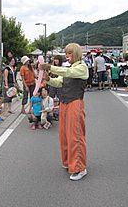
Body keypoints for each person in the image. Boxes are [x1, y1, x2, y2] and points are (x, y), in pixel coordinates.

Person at [40, 43, 88, 181]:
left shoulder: (82, 67)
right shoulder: (69, 68)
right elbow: (59, 82)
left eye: (70, 53)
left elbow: (68, 73)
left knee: (75, 136)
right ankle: (69, 162)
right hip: (64, 103)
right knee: (64, 135)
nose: (67, 56)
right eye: (66, 53)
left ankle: (80, 167)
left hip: (75, 103)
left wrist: (50, 67)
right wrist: (48, 79)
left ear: (76, 53)